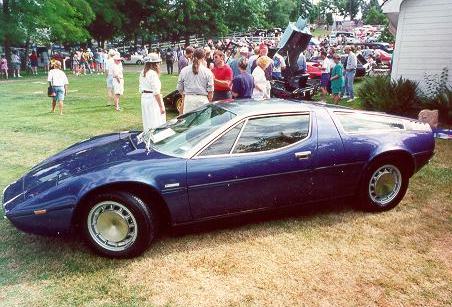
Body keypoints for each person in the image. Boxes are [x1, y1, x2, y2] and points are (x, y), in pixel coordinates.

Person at [177, 48, 214, 114]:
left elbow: (180, 88)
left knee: (189, 123)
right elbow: (210, 92)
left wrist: (185, 95)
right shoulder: (208, 72)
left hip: (189, 101)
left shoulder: (184, 70)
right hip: (202, 100)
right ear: (204, 57)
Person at [139, 53, 166, 131]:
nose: (158, 65)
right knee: (156, 120)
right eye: (157, 63)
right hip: (152, 99)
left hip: (144, 98)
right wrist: (161, 106)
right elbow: (156, 92)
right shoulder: (153, 74)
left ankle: (148, 136)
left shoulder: (142, 72)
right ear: (154, 64)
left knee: (147, 120)